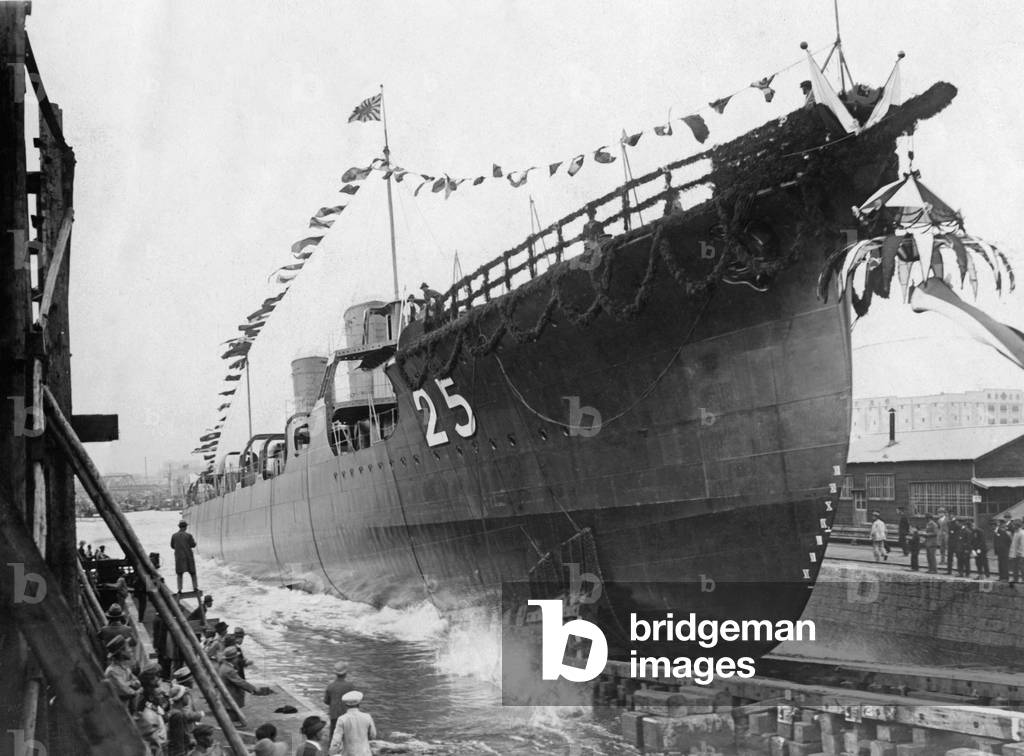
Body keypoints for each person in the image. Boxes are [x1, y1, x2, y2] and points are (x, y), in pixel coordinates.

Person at [217, 645, 271, 715]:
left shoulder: (224, 666)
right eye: (237, 657)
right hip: (230, 697)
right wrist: (254, 689)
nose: (238, 659)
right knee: (232, 715)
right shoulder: (229, 670)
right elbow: (241, 682)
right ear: (234, 658)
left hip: (227, 696)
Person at [329, 690, 375, 756]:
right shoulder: (367, 717)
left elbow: (336, 741)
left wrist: (331, 753)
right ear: (359, 703)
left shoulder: (342, 719)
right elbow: (373, 735)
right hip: (365, 753)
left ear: (345, 705)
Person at [104, 635, 141, 711]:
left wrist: (131, 683)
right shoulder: (112, 672)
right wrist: (134, 687)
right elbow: (127, 691)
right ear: (121, 652)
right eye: (128, 647)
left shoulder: (124, 667)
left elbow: (137, 682)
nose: (131, 650)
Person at [166, 683, 203, 756]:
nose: (188, 697)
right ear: (181, 698)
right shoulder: (177, 715)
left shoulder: (175, 712)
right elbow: (178, 737)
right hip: (178, 751)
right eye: (186, 695)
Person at [324, 662, 356, 744]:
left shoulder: (330, 686)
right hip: (347, 715)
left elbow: (326, 701)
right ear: (346, 673)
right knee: (347, 737)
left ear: (335, 674)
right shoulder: (350, 686)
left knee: (333, 735)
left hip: (334, 715)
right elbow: (355, 701)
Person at [171, 521, 198, 594]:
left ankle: (179, 590)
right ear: (185, 527)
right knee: (192, 573)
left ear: (179, 527)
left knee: (179, 574)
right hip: (188, 557)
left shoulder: (174, 536)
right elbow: (193, 545)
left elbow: (172, 546)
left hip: (179, 558)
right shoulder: (188, 535)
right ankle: (195, 588)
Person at [995, 517, 1012, 582]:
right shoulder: (998, 532)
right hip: (1000, 551)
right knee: (1000, 565)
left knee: (1005, 565)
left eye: (1001, 524)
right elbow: (996, 541)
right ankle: (1001, 577)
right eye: (1000, 524)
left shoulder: (1006, 532)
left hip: (1005, 551)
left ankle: (1005, 578)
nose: (1000, 525)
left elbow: (1009, 542)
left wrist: (1007, 549)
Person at [1010, 520, 1024, 585]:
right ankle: (1015, 579)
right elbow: (1014, 544)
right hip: (1015, 554)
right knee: (1015, 567)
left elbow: (1022, 545)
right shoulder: (1016, 533)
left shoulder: (1022, 533)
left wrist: (1019, 553)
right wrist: (1012, 554)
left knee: (1022, 567)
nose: (1013, 526)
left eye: (1014, 525)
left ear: (1017, 526)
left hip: (1021, 554)